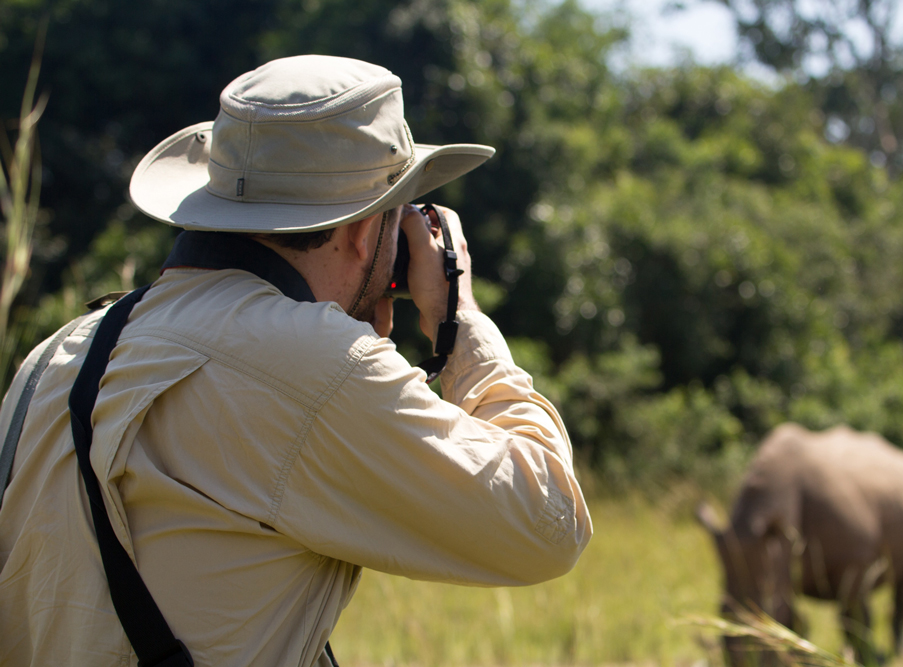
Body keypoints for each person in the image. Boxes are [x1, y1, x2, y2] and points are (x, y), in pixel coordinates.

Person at [0, 55, 592, 666]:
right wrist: (460, 322)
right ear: (366, 232)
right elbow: (547, 524)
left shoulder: (56, 354)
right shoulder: (313, 366)